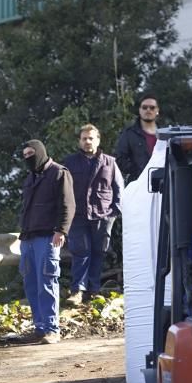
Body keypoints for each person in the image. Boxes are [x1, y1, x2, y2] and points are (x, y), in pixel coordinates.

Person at [19, 140, 75, 344]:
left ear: (41, 152)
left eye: (31, 153)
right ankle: (40, 327)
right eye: (25, 155)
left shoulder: (59, 173)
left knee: (47, 281)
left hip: (47, 237)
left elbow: (68, 205)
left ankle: (52, 329)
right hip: (27, 238)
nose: (28, 157)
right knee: (31, 284)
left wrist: (61, 231)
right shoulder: (30, 177)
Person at [64, 124, 124, 304]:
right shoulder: (69, 162)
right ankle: (77, 291)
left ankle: (94, 290)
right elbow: (62, 189)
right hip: (78, 215)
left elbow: (119, 188)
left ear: (98, 140)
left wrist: (114, 213)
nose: (88, 141)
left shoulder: (110, 162)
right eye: (84, 138)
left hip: (103, 215)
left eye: (91, 138)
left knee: (99, 253)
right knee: (80, 253)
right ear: (79, 141)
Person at [115, 94, 159, 182]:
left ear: (157, 110)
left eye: (152, 107)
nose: (148, 110)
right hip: (138, 184)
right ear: (139, 110)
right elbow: (119, 159)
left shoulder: (165, 134)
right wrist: (137, 171)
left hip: (164, 185)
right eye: (144, 107)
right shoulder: (129, 134)